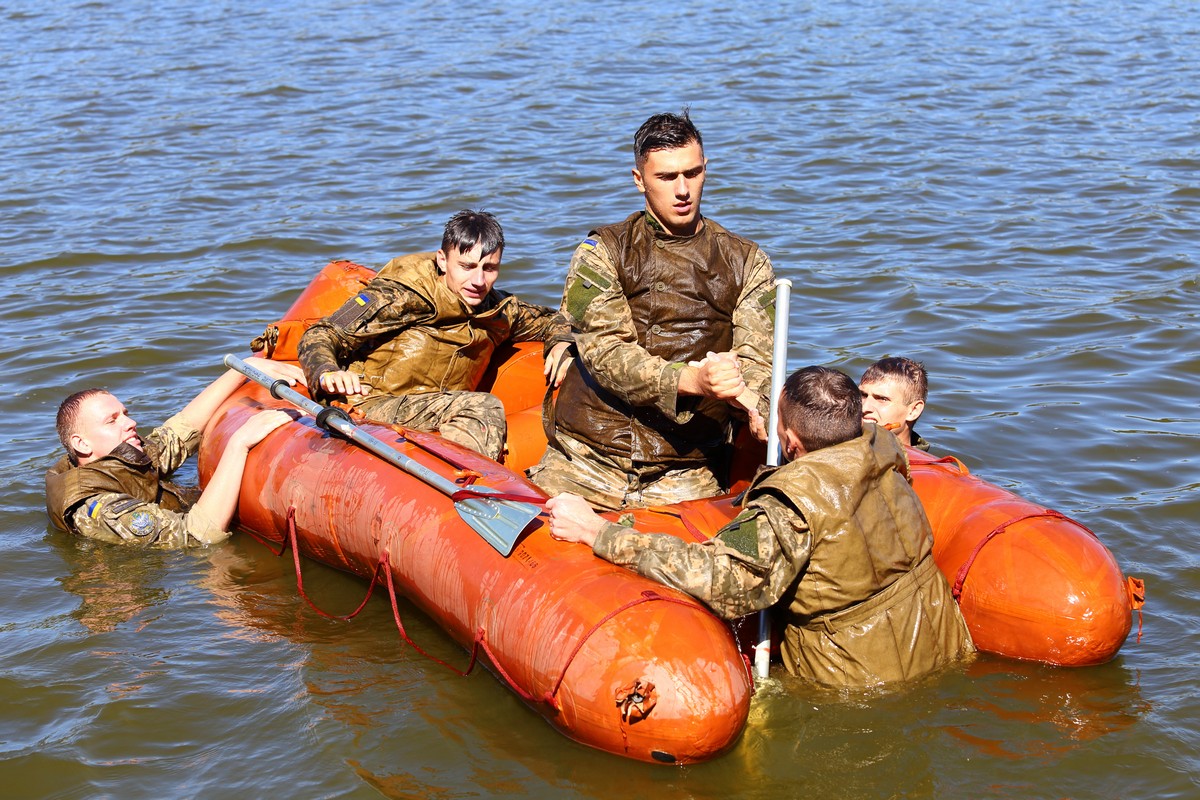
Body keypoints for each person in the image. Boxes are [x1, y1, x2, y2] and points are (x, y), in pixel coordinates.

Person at [546, 366, 975, 689]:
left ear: (791, 443)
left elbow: (721, 581)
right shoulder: (884, 447)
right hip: (941, 641)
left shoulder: (788, 503)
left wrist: (598, 532)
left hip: (856, 677)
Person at [529, 110, 776, 511]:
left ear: (705, 168)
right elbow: (607, 355)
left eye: (692, 173)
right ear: (639, 179)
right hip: (587, 457)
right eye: (666, 177)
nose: (683, 190)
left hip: (687, 470)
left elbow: (757, 360)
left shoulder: (748, 262)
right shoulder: (601, 253)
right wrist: (692, 380)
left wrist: (755, 400)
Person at [297, 210, 570, 462]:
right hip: (373, 405)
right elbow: (322, 334)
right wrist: (326, 371)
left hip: (435, 409)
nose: (478, 281)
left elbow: (553, 319)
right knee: (482, 406)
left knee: (476, 407)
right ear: (443, 260)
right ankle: (466, 486)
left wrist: (560, 342)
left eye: (489, 269)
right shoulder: (402, 296)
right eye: (467, 266)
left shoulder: (498, 311)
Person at [46, 357, 302, 548]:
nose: (130, 422)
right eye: (111, 421)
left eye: (125, 413)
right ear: (82, 444)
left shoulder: (116, 460)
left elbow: (180, 432)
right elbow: (198, 535)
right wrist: (239, 443)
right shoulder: (99, 509)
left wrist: (243, 369)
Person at [860, 356, 930, 451]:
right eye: (863, 395)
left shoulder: (926, 465)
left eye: (882, 399)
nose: (864, 407)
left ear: (914, 411)